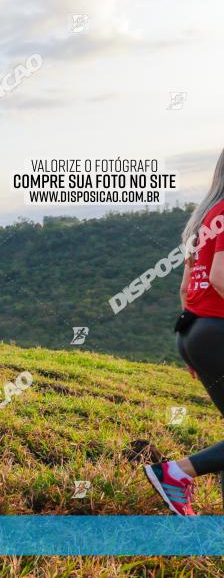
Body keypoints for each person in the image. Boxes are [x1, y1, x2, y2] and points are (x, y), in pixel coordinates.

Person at [144, 147, 224, 515]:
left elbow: (185, 287)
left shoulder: (204, 218)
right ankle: (176, 473)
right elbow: (221, 277)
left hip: (194, 330)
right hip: (215, 330)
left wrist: (195, 348)